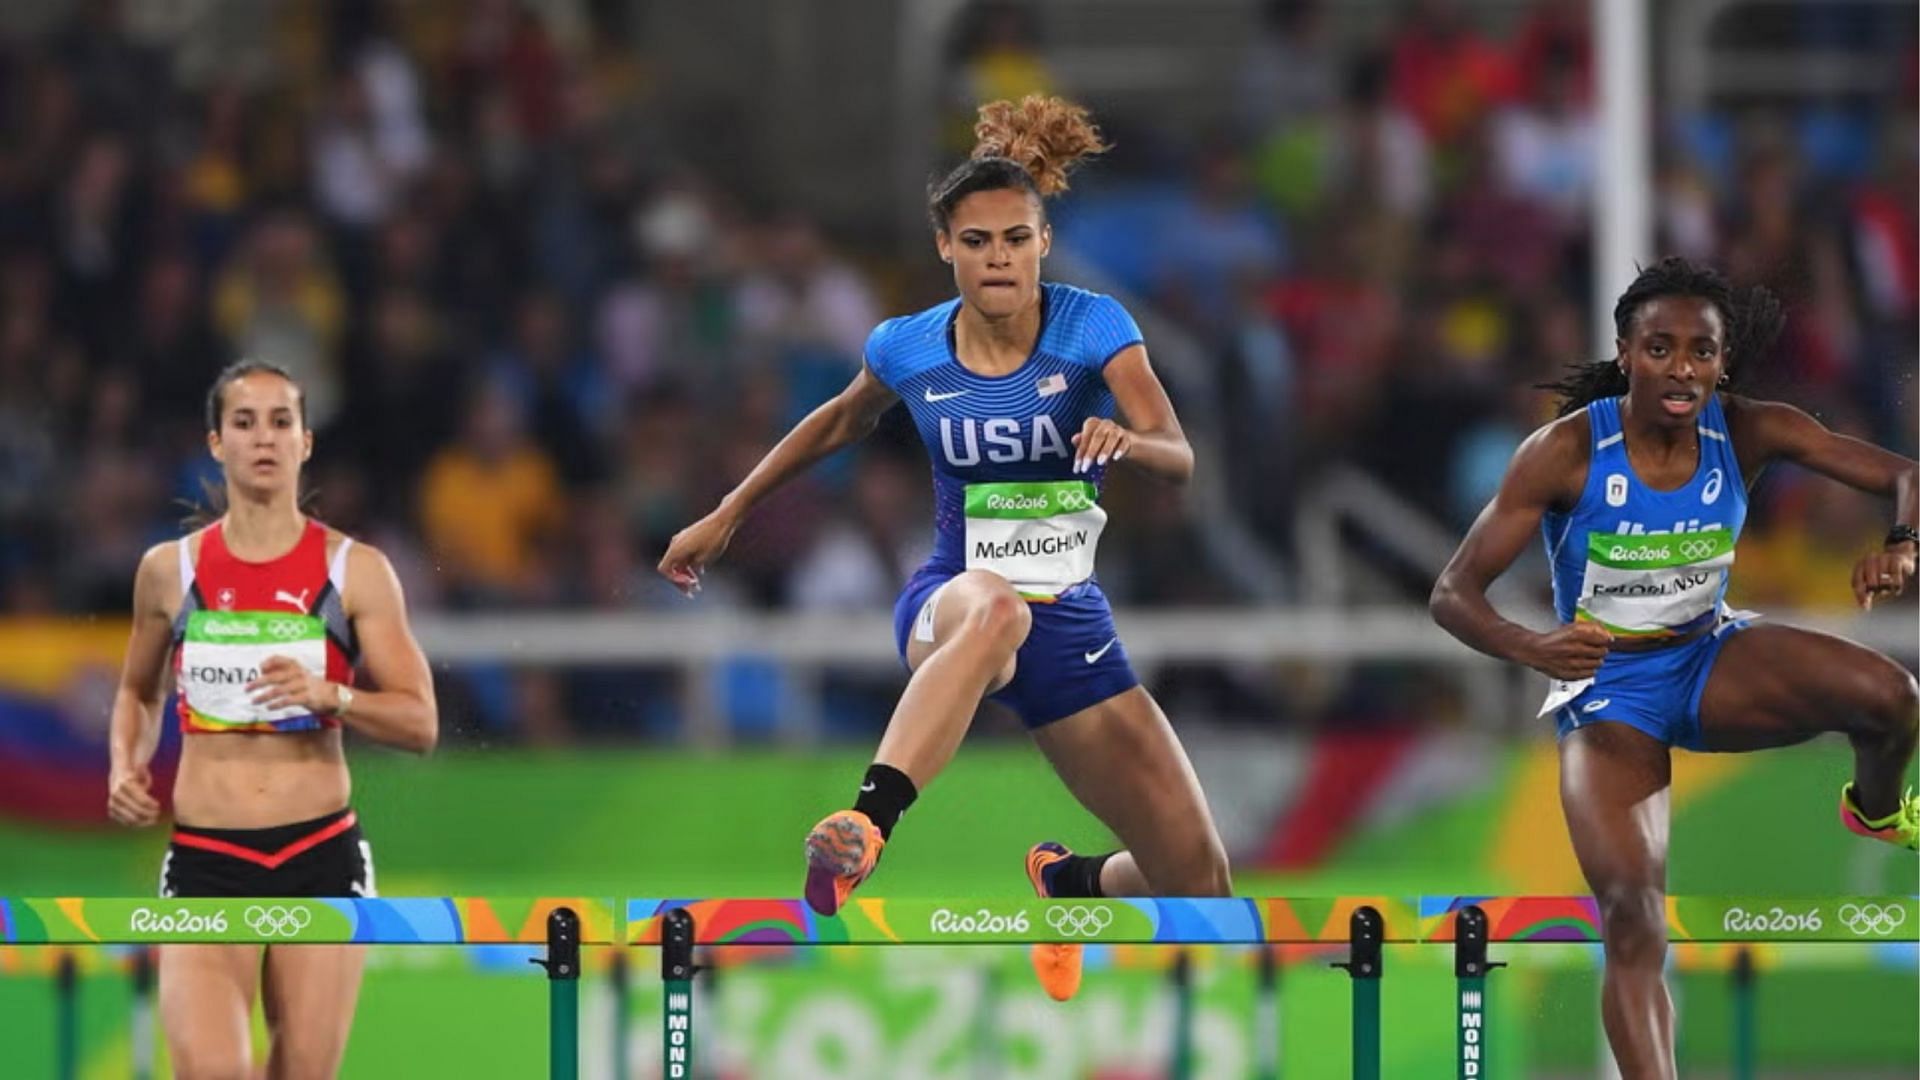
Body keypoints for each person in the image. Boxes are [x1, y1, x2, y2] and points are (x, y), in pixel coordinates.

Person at [658, 96, 1231, 1001]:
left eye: (1014, 239)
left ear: (1043, 242)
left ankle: (1071, 884)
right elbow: (835, 422)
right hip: (954, 603)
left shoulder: (1094, 328)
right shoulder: (909, 346)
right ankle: (867, 824)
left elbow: (1181, 455)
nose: (996, 259)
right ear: (944, 248)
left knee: (1207, 894)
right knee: (994, 603)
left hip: (1071, 627)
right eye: (975, 242)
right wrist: (728, 511)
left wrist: (1129, 441)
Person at [1430, 257, 1917, 1079]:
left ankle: (1873, 811)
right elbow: (1453, 594)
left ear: (1723, 363)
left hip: (1711, 656)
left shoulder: (1752, 428)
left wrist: (1903, 551)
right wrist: (1535, 646)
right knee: (1631, 914)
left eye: (1700, 351)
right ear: (1626, 354)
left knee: (1893, 696)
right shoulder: (1564, 452)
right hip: (1610, 692)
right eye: (1660, 348)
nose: (1681, 368)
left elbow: (1906, 475)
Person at [107, 361, 438, 1078]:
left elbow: (420, 722)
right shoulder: (170, 572)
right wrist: (124, 763)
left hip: (317, 855)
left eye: (281, 421)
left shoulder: (356, 571)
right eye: (245, 422)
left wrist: (334, 698)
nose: (264, 437)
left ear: (306, 442)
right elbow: (138, 692)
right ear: (217, 443)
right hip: (205, 860)